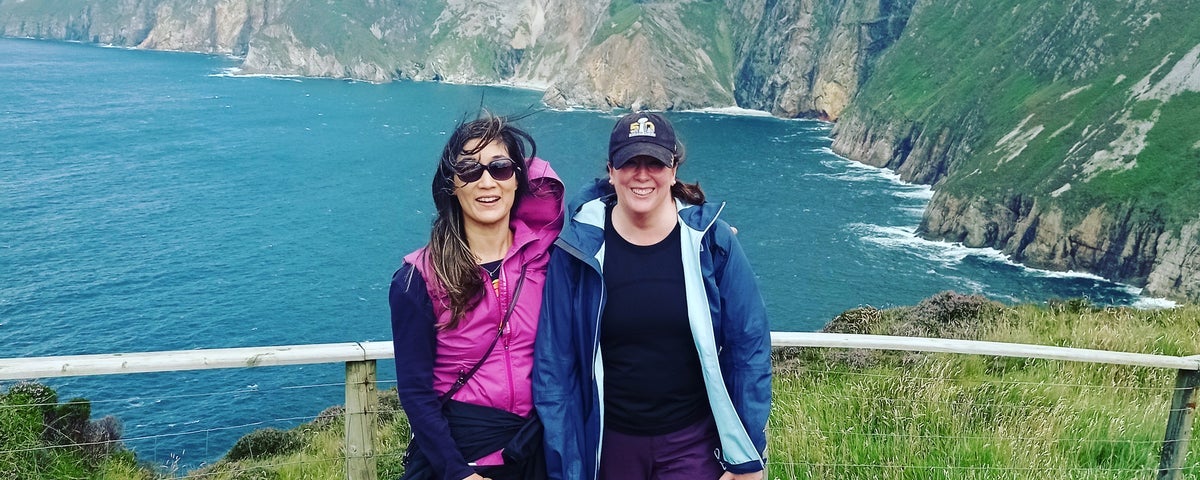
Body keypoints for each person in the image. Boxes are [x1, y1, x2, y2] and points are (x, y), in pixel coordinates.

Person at [533, 112, 772, 480]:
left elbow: (749, 347)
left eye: (655, 162)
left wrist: (746, 458)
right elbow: (555, 369)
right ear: (612, 171)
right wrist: (569, 467)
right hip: (609, 448)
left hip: (692, 446)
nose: (642, 175)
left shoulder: (712, 242)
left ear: (673, 170)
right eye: (630, 162)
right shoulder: (577, 252)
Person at [390, 112, 564, 480]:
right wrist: (457, 473)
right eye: (470, 169)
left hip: (537, 454)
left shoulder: (549, 263)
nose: (487, 181)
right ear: (452, 183)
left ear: (519, 178)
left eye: (500, 168)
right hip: (462, 459)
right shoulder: (418, 278)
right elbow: (416, 392)